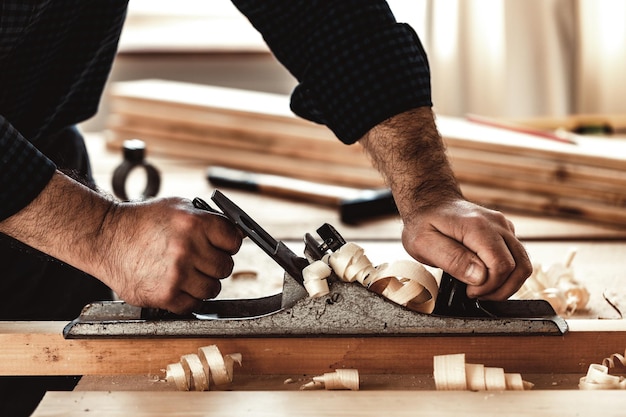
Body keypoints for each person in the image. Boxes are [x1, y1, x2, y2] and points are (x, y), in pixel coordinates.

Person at [0, 1, 532, 414]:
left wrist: (428, 190)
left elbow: (328, 15)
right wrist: (99, 231)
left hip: (44, 167)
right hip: (47, 206)